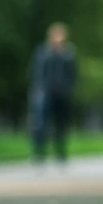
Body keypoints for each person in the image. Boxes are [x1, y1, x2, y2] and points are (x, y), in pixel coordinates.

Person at [30, 22, 77, 163]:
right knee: (41, 124)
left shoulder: (68, 53)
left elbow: (73, 74)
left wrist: (69, 89)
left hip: (62, 94)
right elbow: (37, 73)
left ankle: (61, 154)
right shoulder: (43, 52)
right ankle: (39, 154)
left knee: (61, 124)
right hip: (46, 93)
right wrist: (39, 90)